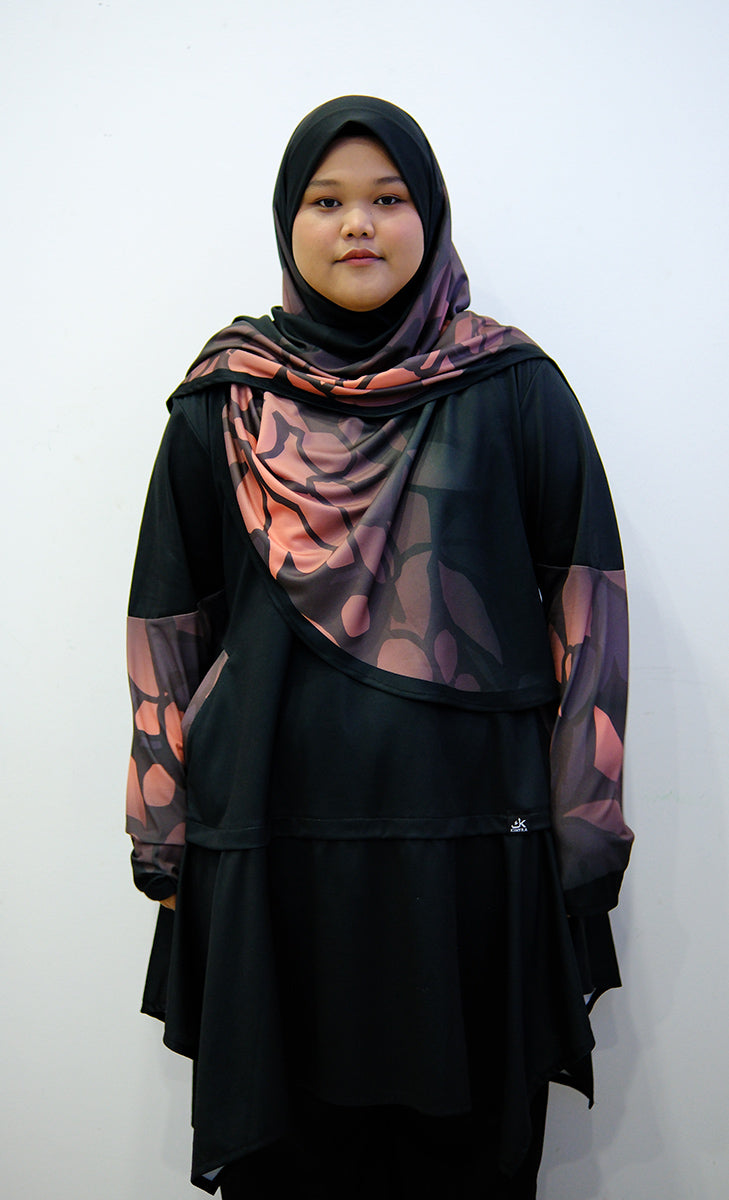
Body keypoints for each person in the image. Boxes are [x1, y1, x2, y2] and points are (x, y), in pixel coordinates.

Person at [126, 96, 633, 1199]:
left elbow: (590, 613)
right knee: (290, 1166)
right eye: (326, 201)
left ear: (430, 216)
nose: (357, 224)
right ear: (288, 222)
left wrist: (585, 832)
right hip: (272, 847)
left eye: (387, 198)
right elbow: (167, 631)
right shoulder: (222, 404)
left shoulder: (513, 389)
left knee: (467, 1163)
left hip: (473, 848)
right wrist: (160, 839)